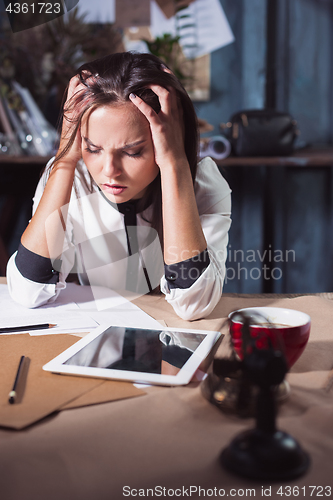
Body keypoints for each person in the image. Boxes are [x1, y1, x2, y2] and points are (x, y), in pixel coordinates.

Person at [6, 52, 231, 321]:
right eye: (93, 148)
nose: (109, 171)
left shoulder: (202, 182)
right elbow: (27, 291)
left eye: (133, 152)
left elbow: (195, 304)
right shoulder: (70, 178)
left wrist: (174, 166)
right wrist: (65, 159)